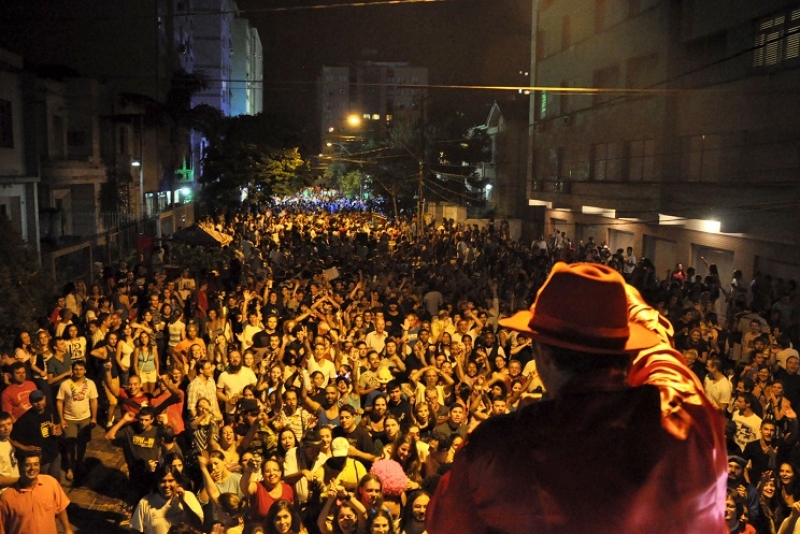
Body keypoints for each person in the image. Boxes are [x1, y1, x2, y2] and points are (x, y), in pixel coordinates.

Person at [428, 262, 728, 533]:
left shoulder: (497, 450)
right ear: (628, 351)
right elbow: (663, 356)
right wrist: (621, 301)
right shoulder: (688, 424)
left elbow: (448, 521)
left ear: (542, 355)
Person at [0, 450, 73, 534]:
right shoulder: (7, 498)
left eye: (36, 464)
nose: (32, 468)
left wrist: (67, 529)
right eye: (27, 465)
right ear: (20, 466)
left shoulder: (51, 483)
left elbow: (61, 507)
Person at [55, 360, 98, 482]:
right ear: (72, 370)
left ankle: (79, 463)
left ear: (85, 370)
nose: (78, 372)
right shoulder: (65, 384)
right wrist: (61, 419)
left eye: (81, 369)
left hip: (85, 418)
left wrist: (94, 417)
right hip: (69, 419)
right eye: (76, 369)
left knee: (82, 443)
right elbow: (59, 401)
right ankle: (69, 467)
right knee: (70, 444)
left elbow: (94, 401)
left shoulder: (90, 384)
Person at [130, 463, 204, 534]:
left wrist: (183, 502)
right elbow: (135, 530)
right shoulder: (145, 502)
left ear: (177, 482)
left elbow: (198, 524)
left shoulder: (188, 496)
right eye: (163, 481)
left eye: (171, 481)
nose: (166, 485)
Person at [9, 390, 62, 480]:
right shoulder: (25, 419)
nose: (39, 403)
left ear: (44, 398)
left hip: (54, 454)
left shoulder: (50, 409)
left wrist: (58, 429)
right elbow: (11, 438)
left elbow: (57, 424)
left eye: (40, 400)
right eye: (35, 401)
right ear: (30, 402)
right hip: (41, 460)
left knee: (55, 482)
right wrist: (25, 448)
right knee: (42, 484)